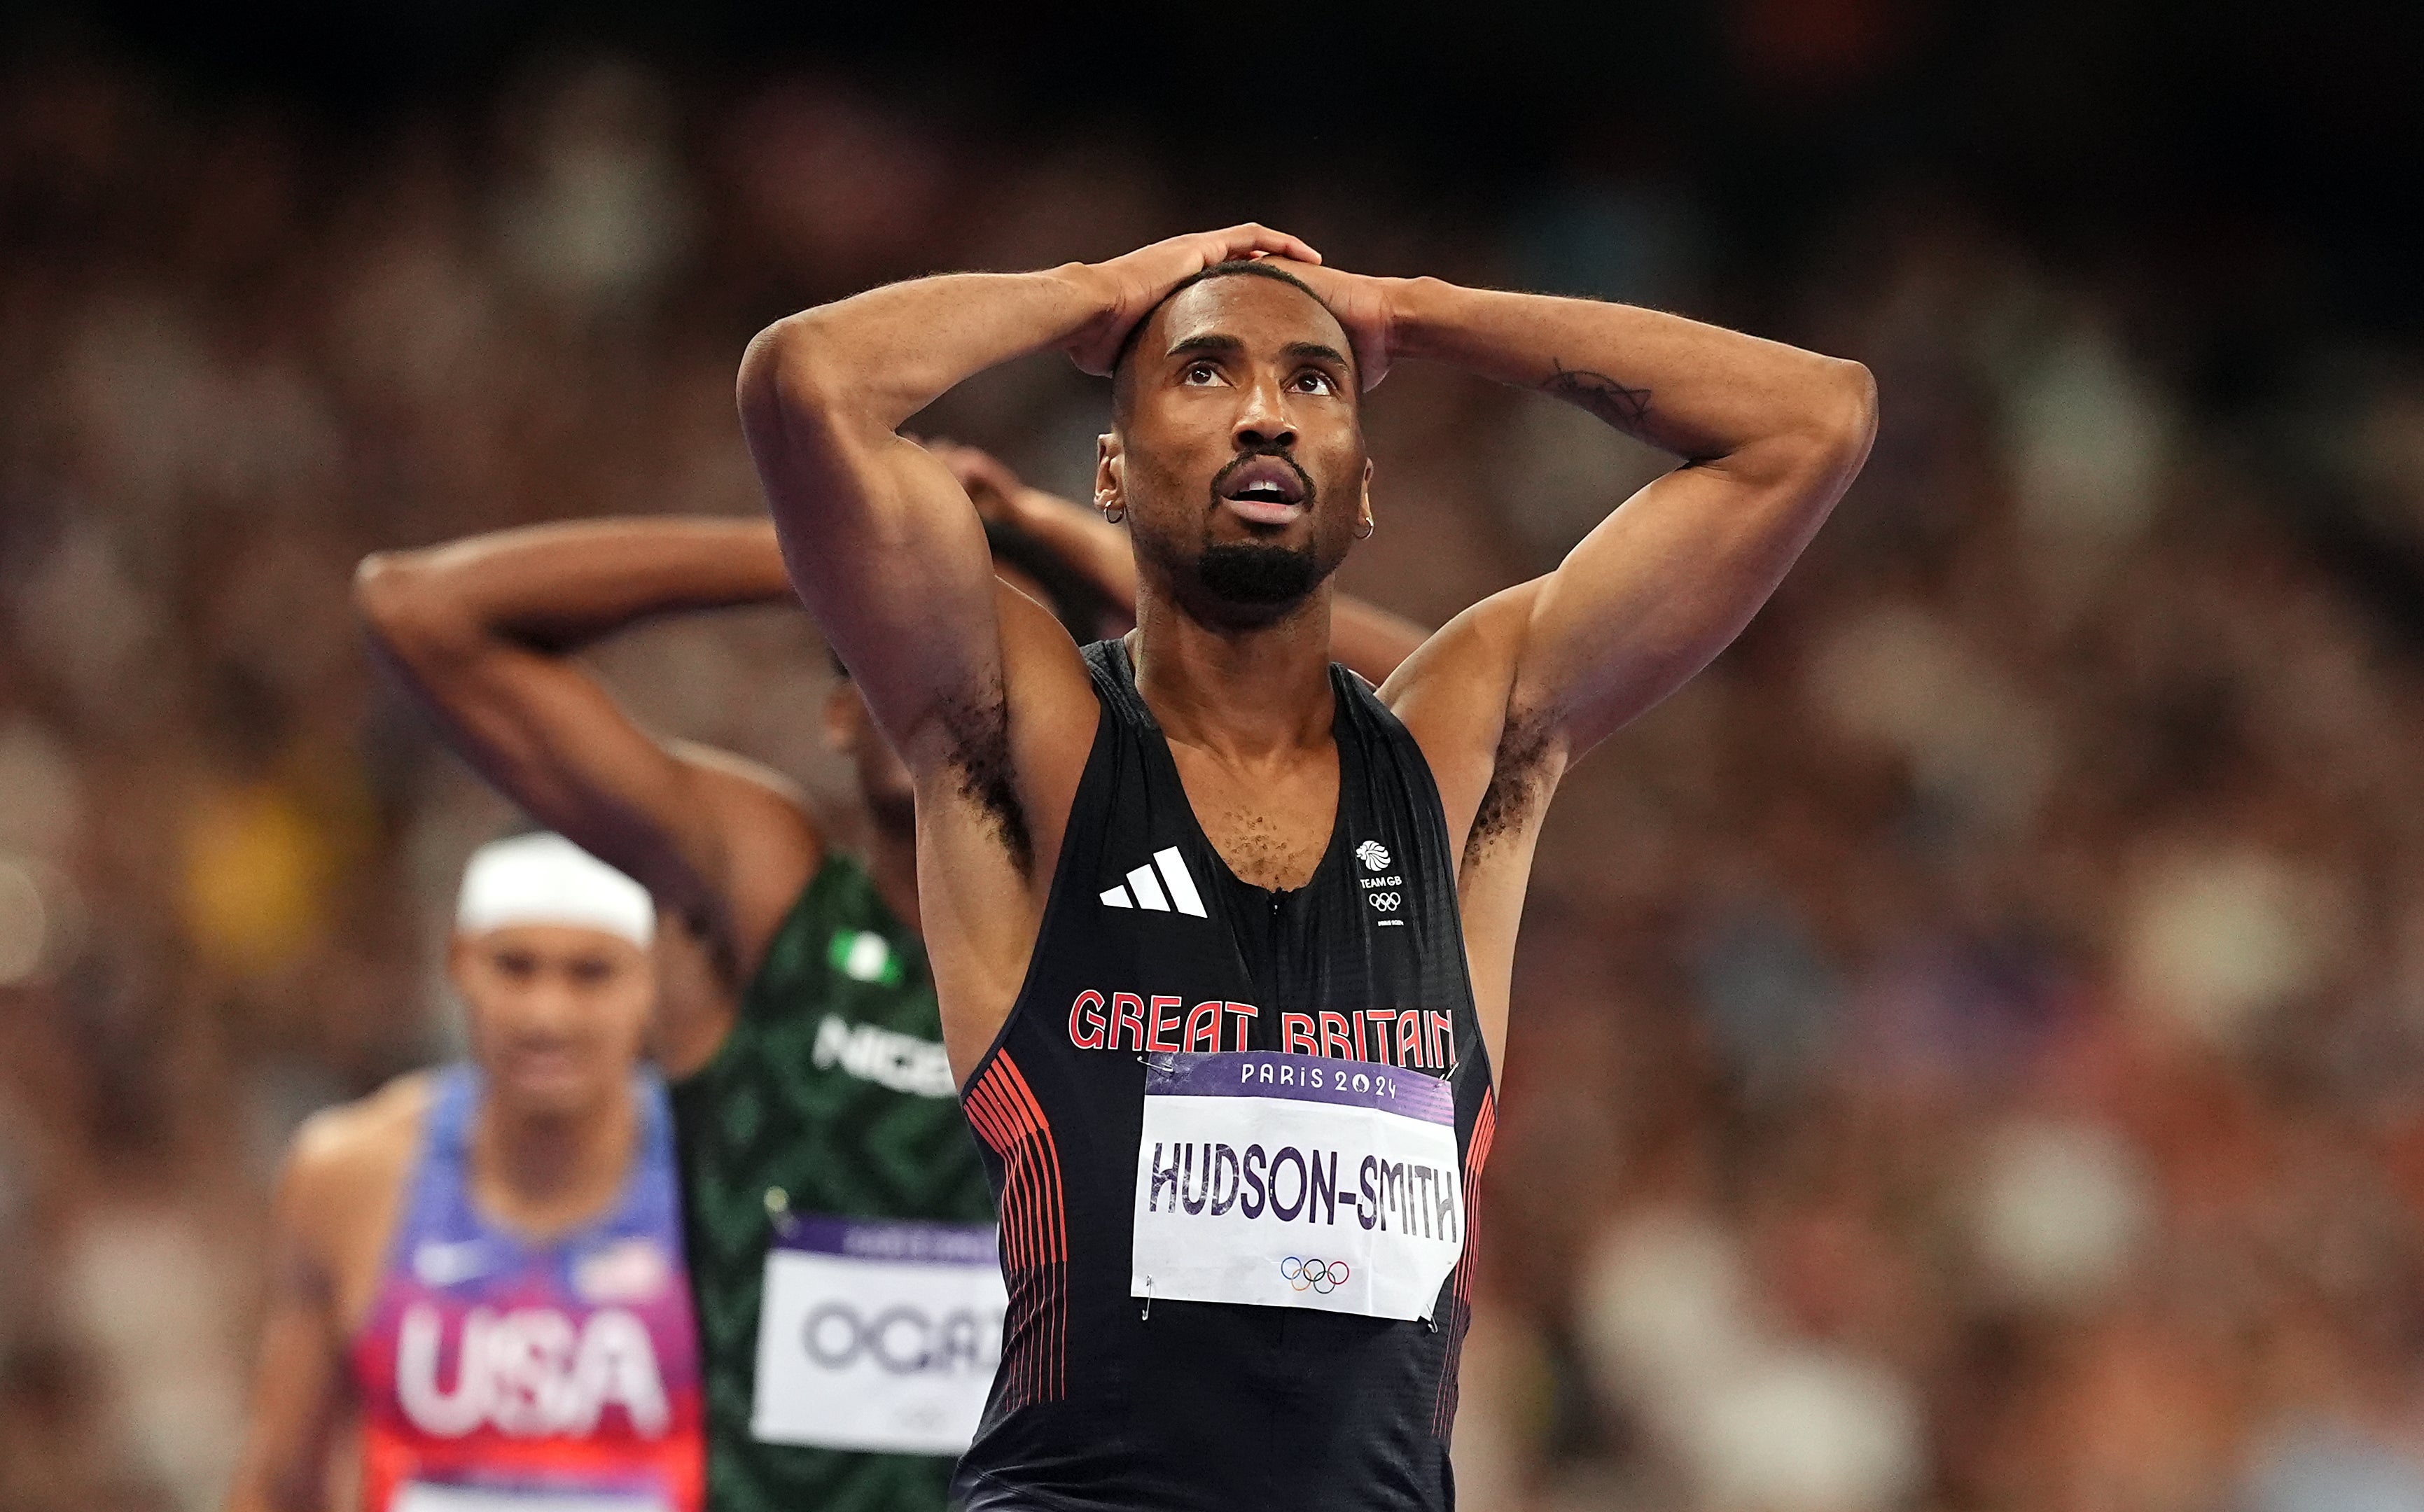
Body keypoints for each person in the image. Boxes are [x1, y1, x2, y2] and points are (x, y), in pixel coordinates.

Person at [736, 225, 1877, 1510]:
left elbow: (1812, 420)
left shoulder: (1455, 759)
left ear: (1364, 486)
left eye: (1313, 382)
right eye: (1206, 373)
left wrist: (1411, 310)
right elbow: (804, 384)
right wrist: (1095, 296)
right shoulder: (1031, 737)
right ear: (1110, 473)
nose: (1266, 416)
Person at [349, 453, 1426, 1512]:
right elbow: (420, 615)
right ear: (838, 708)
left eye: (986, 672)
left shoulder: (1156, 945)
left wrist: (1093, 556)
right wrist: (819, 560)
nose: (944, 697)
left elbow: (1437, 735)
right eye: (898, 658)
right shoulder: (771, 897)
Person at [227, 833, 703, 1512]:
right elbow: (279, 1483)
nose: (546, 1014)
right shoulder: (351, 1172)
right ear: (459, 965)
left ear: (651, 983)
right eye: (515, 968)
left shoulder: (718, 1166)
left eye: (590, 973)